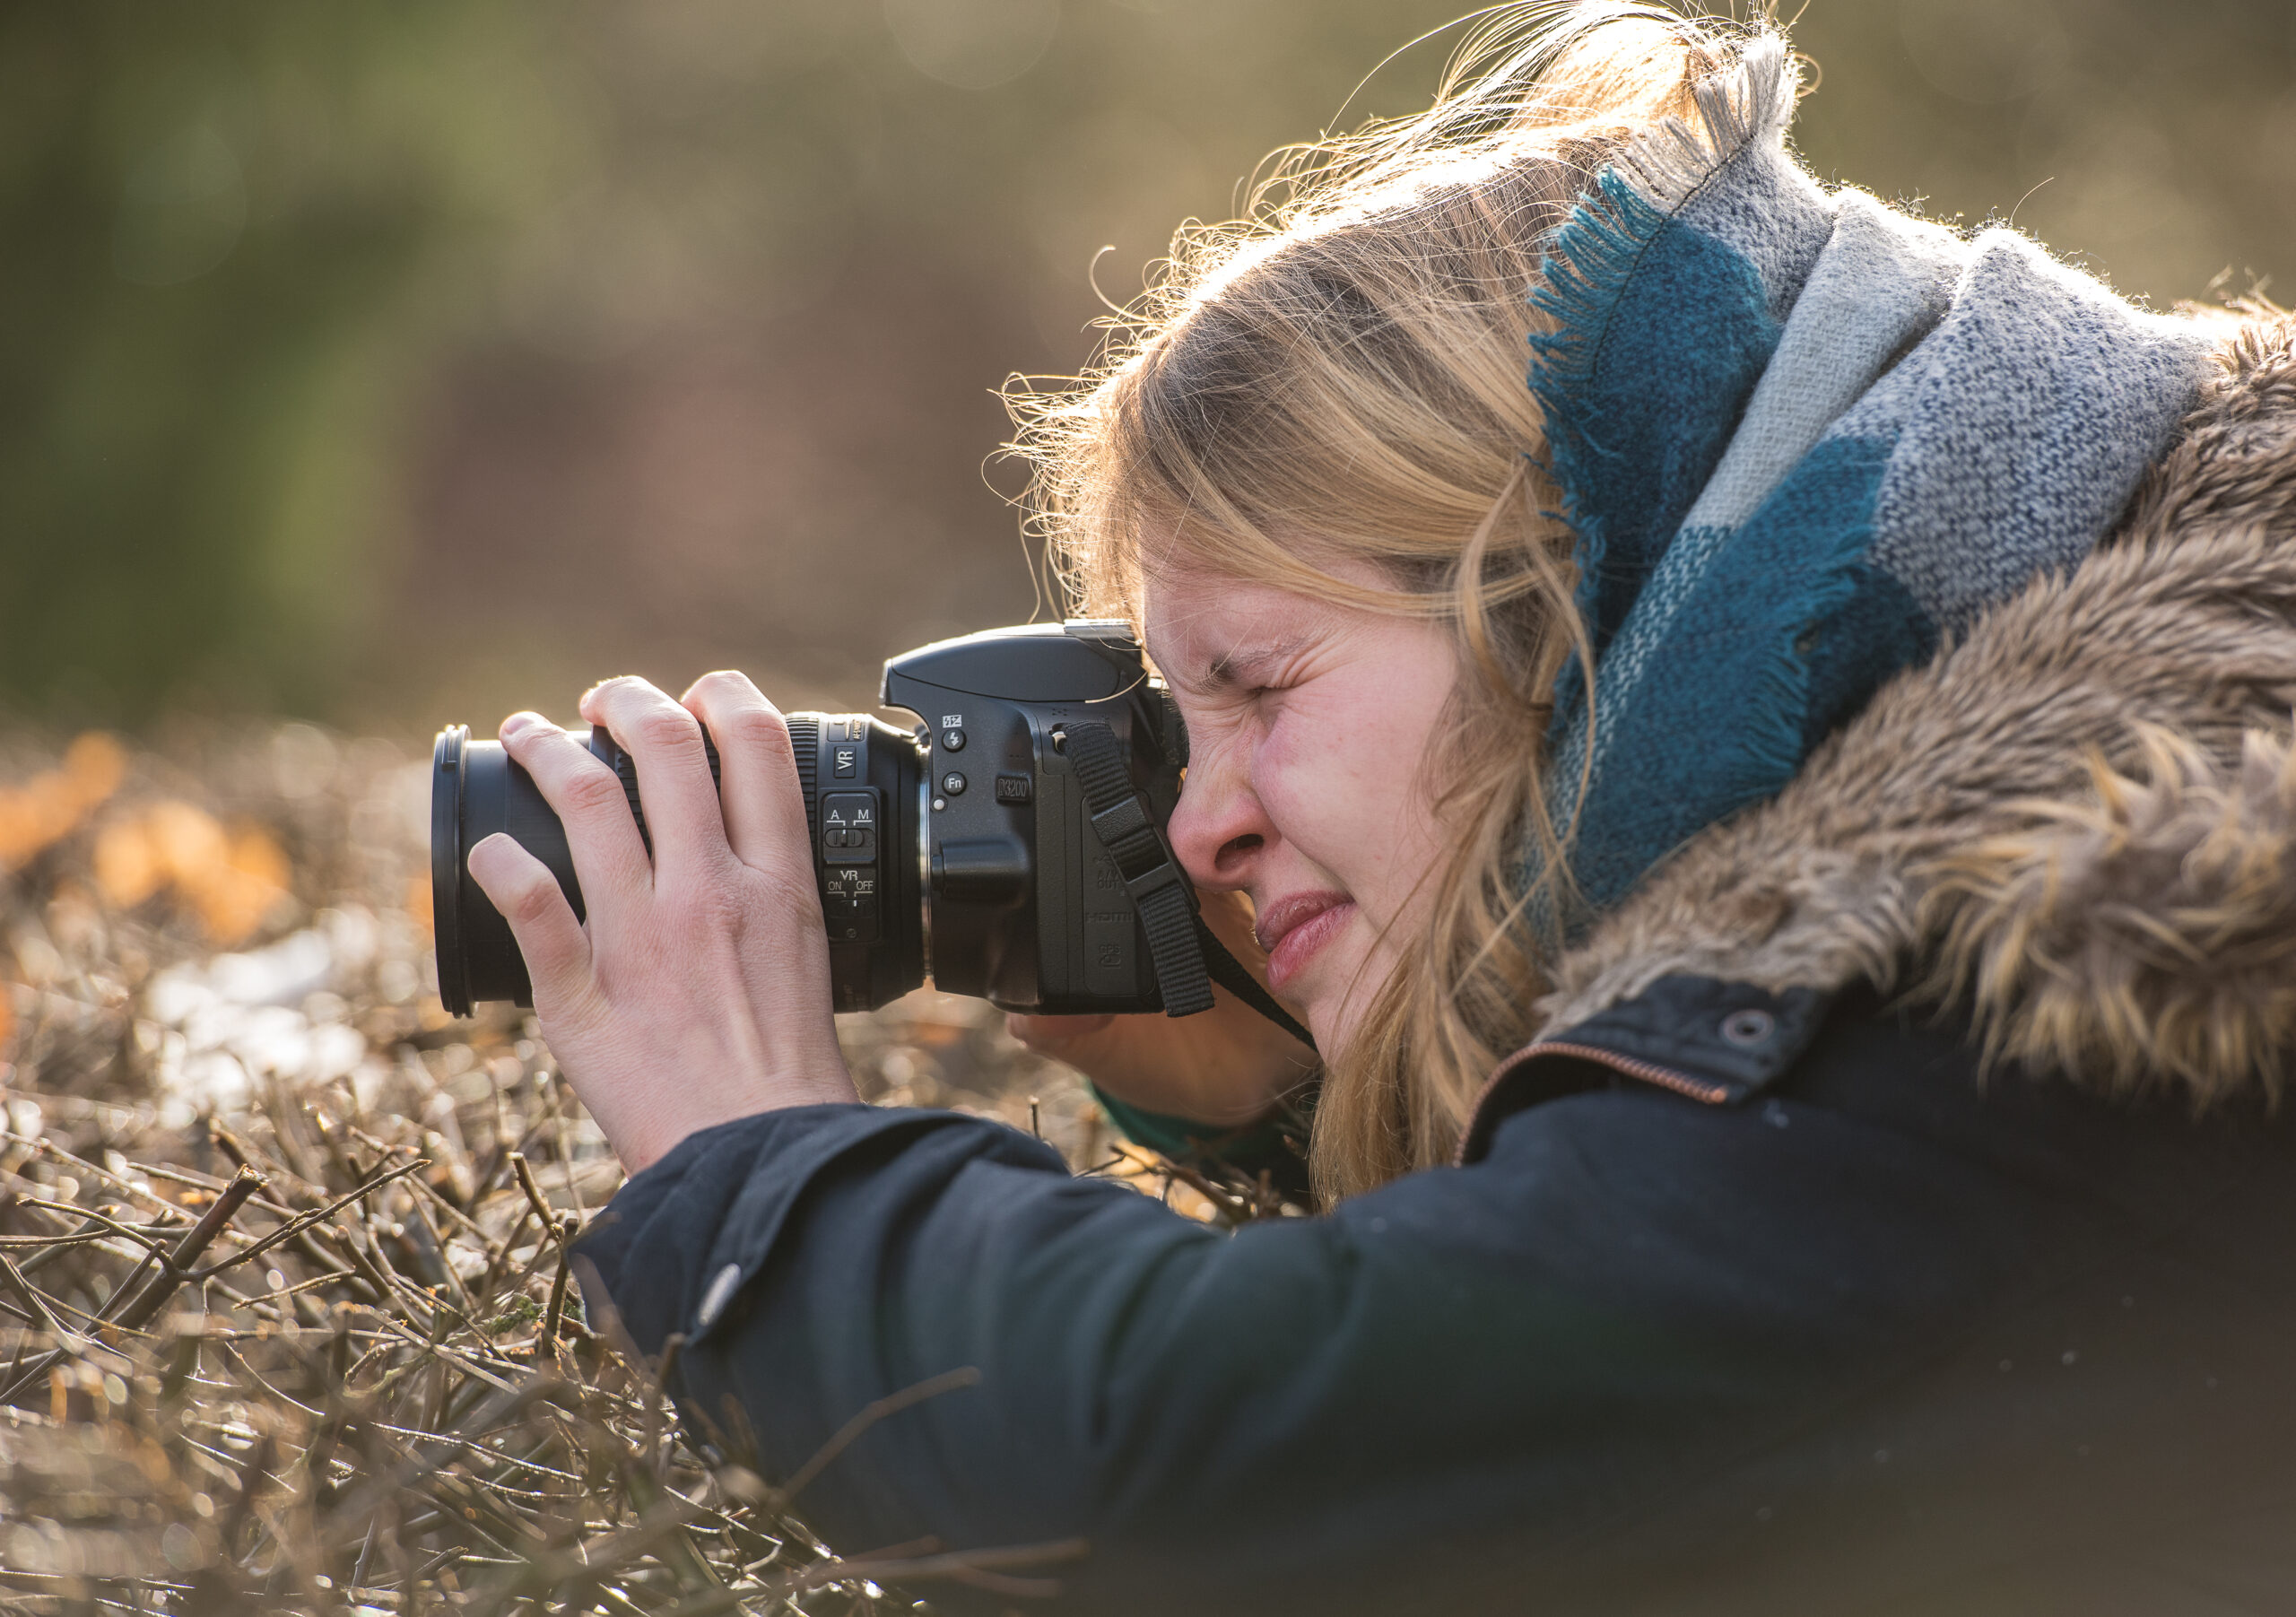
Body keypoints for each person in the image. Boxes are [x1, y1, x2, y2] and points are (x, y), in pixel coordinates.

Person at [465, 5, 2296, 1612]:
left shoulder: (2039, 933)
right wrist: (1291, 1094)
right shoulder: (2137, 702)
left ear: (1570, 593)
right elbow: (1662, 1368)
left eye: (1255, 686)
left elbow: (1217, 1471)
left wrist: (753, 1152)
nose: (1195, 829)